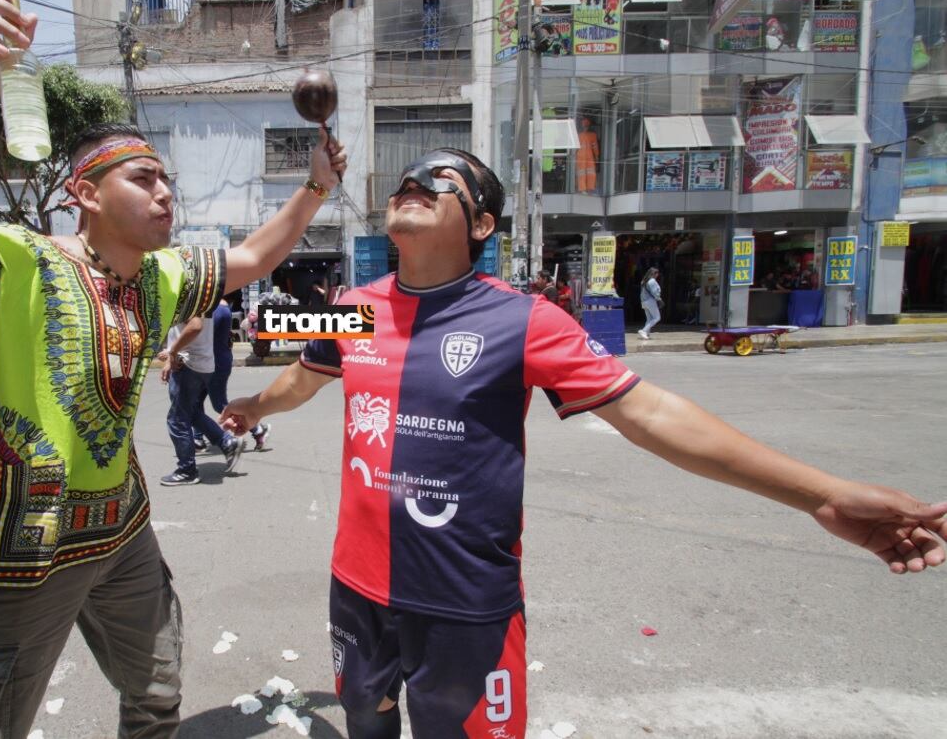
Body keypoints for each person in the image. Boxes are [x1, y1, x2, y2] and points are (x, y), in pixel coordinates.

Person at [220, 147, 946, 739]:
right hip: (357, 586)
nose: (414, 182)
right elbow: (307, 374)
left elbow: (653, 415)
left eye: (442, 179)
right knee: (366, 719)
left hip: (465, 604)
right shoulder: (353, 306)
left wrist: (822, 494)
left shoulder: (525, 321)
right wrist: (253, 405)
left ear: (482, 224)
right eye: (408, 178)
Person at [0, 0, 346, 739]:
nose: (165, 193)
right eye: (143, 179)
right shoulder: (20, 261)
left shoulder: (161, 274)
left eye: (166, 180)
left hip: (120, 526)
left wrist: (314, 186)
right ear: (83, 193)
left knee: (156, 688)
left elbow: (252, 257)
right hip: (24, 543)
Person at [158, 313, 248, 486]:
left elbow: (195, 326)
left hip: (188, 364)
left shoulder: (189, 298)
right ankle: (227, 442)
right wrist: (171, 357)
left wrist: (172, 352)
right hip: (199, 363)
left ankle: (187, 470)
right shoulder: (205, 300)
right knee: (191, 413)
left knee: (177, 419)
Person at [193, 298, 270, 453]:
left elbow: (202, 334)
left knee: (220, 405)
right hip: (210, 361)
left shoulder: (217, 309)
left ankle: (258, 430)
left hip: (215, 363)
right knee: (195, 400)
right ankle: (198, 438)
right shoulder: (218, 307)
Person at [638, 266, 662, 340]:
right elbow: (655, 292)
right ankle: (644, 331)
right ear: (654, 274)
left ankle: (646, 333)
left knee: (649, 319)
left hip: (644, 301)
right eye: (657, 273)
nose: (657, 275)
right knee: (657, 317)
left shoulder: (644, 281)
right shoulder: (652, 281)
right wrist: (659, 299)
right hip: (650, 301)